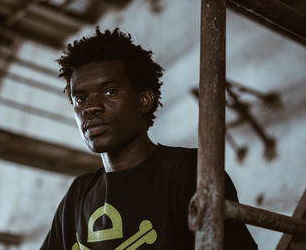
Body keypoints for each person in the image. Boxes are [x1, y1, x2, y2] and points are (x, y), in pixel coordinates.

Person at [41, 28, 257, 250]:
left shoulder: (189, 171)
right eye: (81, 98)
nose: (91, 107)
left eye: (110, 91)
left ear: (144, 99)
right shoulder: (77, 195)